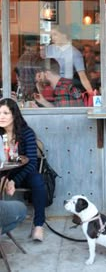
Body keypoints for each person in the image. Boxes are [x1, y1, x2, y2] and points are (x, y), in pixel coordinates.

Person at [0, 98, 46, 241]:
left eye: (5, 113)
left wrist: (13, 180)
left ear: (14, 115)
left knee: (38, 181)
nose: (1, 116)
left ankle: (39, 225)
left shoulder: (26, 133)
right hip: (1, 174)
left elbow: (32, 163)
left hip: (22, 173)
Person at [43, 24, 93, 94]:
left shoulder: (75, 53)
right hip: (48, 88)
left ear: (64, 35)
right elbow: (43, 70)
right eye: (51, 35)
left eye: (55, 34)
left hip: (65, 89)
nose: (52, 38)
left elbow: (82, 76)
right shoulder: (48, 49)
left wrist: (92, 94)